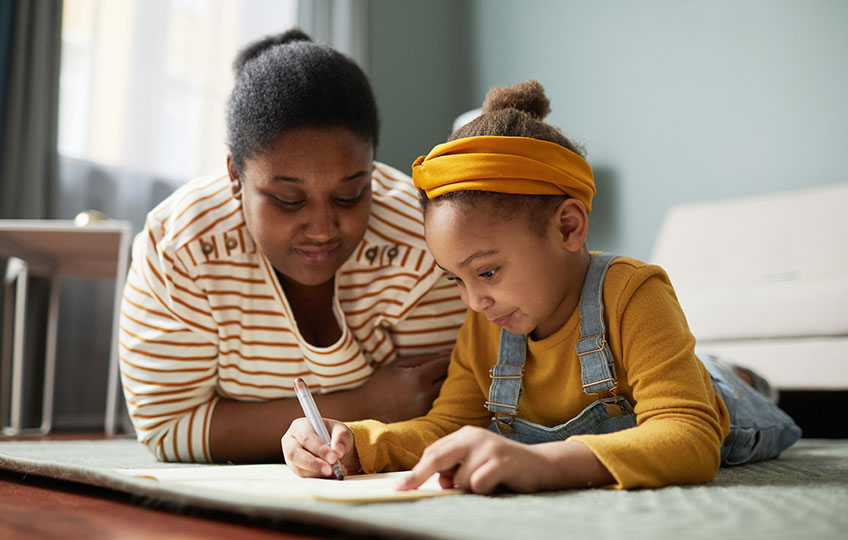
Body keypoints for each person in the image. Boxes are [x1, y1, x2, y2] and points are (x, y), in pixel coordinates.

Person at [281, 80, 802, 491]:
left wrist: (544, 463)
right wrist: (358, 442)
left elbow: (688, 437)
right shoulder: (489, 320)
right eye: (456, 279)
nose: (473, 300)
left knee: (720, 382)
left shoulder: (634, 292)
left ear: (569, 227)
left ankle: (741, 376)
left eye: (486, 271)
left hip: (722, 405)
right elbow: (449, 426)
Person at [119, 29, 466, 464]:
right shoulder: (179, 246)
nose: (322, 229)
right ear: (234, 177)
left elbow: (447, 407)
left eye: (349, 195)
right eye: (289, 200)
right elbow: (167, 427)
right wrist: (365, 406)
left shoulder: (422, 238)